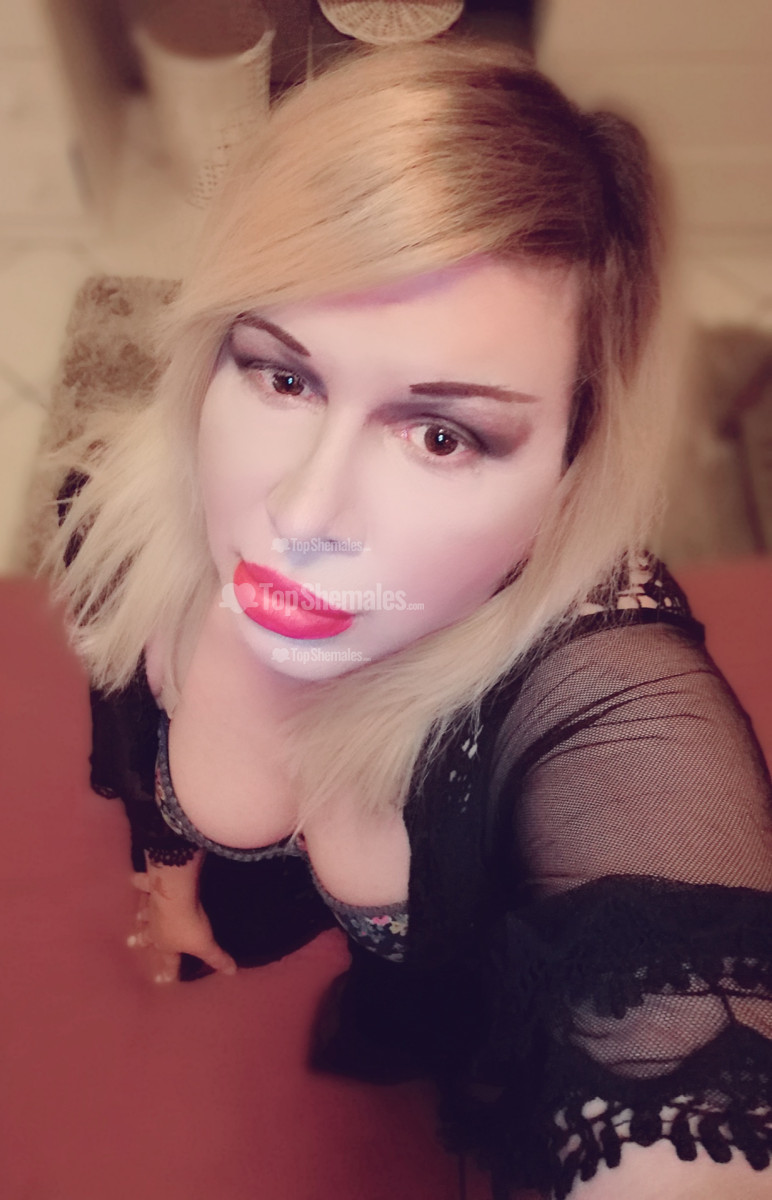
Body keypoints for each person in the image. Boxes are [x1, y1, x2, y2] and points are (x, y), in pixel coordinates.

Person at [46, 40, 772, 1200]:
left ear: (570, 471)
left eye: (443, 435)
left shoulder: (601, 700)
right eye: (282, 375)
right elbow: (129, 730)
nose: (300, 515)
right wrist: (169, 880)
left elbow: (686, 1060)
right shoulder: (116, 518)